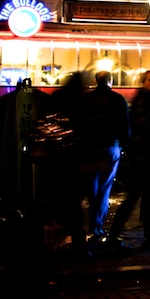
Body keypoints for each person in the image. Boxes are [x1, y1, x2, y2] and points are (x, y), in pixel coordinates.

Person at [103, 71, 150, 250]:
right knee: (135, 200)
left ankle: (145, 236)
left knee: (145, 201)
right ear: (142, 83)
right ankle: (118, 236)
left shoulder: (145, 101)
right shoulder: (145, 103)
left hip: (148, 159)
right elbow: (148, 128)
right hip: (146, 160)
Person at [44, 72, 94, 259]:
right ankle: (79, 246)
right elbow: (84, 133)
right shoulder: (81, 102)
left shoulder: (57, 98)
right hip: (73, 162)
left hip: (56, 161)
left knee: (58, 204)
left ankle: (53, 244)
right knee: (74, 207)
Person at [80, 70, 130, 241]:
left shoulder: (86, 99)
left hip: (89, 147)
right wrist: (124, 144)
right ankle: (97, 226)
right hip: (110, 146)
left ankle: (90, 224)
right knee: (104, 188)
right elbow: (124, 125)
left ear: (96, 81)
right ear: (110, 81)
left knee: (92, 187)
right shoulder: (117, 99)